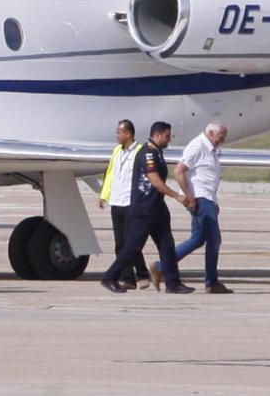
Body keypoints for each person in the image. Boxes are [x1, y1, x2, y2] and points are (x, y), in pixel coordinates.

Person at [100, 121, 194, 294]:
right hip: (145, 210)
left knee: (167, 246)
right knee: (132, 247)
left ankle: (173, 283)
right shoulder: (148, 154)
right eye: (167, 136)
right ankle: (110, 277)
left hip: (157, 208)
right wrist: (177, 196)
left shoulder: (157, 152)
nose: (169, 139)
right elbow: (155, 181)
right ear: (157, 135)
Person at [155, 122, 232, 294]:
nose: (223, 140)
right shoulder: (198, 146)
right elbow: (178, 171)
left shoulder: (210, 148)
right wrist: (189, 196)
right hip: (200, 199)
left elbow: (206, 176)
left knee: (198, 239)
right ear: (211, 133)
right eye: (221, 136)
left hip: (207, 199)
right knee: (214, 240)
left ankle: (161, 266)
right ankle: (211, 282)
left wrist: (214, 200)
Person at [98, 119, 149, 290]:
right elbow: (111, 173)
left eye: (119, 132)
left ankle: (142, 273)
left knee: (131, 242)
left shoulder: (140, 152)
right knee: (120, 243)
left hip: (131, 202)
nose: (116, 135)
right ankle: (128, 278)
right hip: (116, 202)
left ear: (128, 134)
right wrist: (104, 195)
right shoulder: (116, 151)